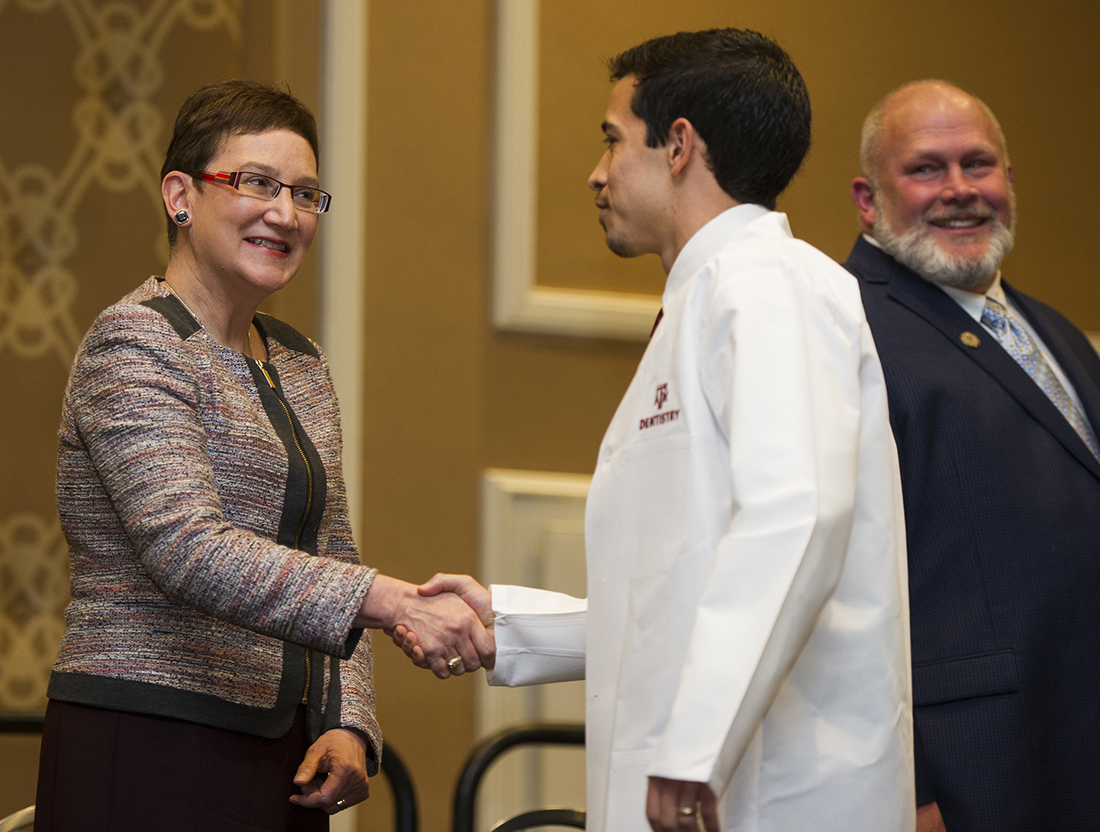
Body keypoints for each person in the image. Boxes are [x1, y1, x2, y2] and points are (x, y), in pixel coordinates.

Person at [398, 29, 914, 832]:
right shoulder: (704, 298)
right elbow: (679, 591)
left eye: (612, 140)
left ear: (679, 146)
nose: (598, 172)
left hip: (771, 793)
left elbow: (798, 515)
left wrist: (694, 749)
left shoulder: (772, 284)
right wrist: (509, 628)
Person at [37, 80, 493, 832]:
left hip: (283, 759)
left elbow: (332, 554)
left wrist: (348, 723)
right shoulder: (134, 343)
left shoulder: (299, 360)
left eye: (307, 194)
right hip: (147, 736)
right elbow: (187, 548)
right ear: (180, 196)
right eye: (256, 183)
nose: (285, 214)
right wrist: (395, 602)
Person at [845, 80, 1100, 832]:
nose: (960, 190)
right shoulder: (846, 325)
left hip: (1069, 754)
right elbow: (847, 586)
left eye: (978, 164)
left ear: (1010, 182)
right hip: (965, 780)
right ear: (867, 199)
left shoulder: (1057, 331)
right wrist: (909, 787)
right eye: (926, 169)